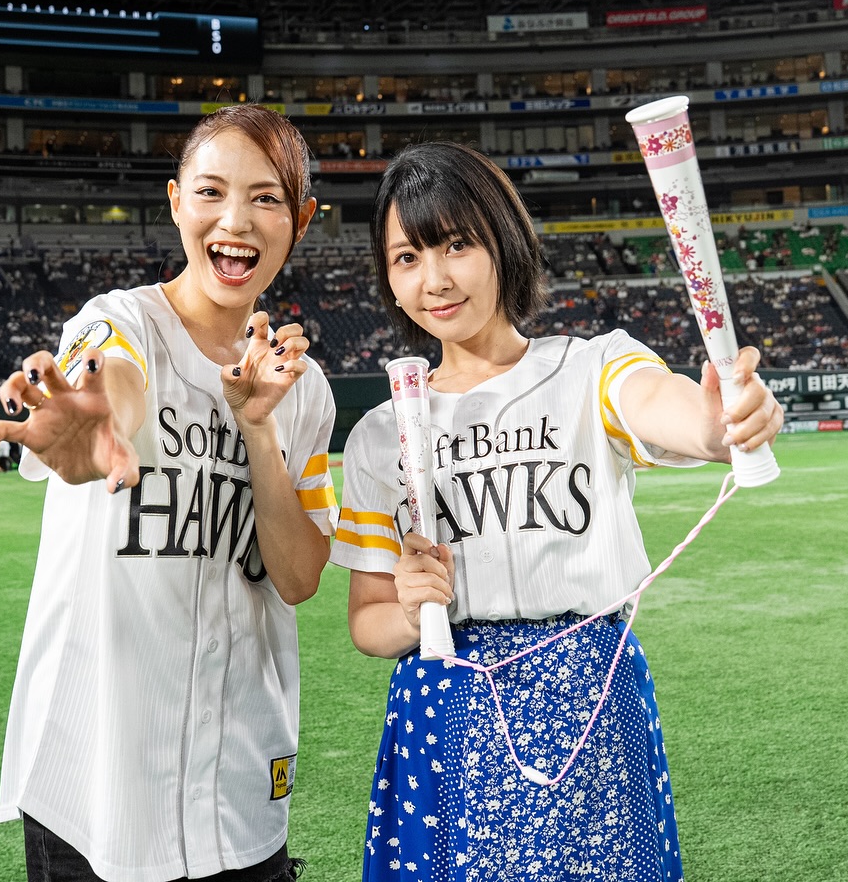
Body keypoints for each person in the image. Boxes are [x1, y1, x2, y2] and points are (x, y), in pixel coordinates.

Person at [330, 143, 784, 882]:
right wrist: (412, 613)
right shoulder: (380, 436)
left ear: (503, 243)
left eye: (457, 245)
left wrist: (717, 423)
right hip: (445, 705)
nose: (434, 279)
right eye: (407, 257)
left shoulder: (590, 367)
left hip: (588, 693)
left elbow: (664, 406)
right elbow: (367, 621)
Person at [0, 105, 337, 882]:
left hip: (241, 788)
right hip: (97, 787)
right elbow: (116, 375)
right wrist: (104, 418)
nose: (234, 221)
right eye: (210, 192)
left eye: (267, 198)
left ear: (303, 219)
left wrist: (259, 429)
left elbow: (298, 578)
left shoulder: (301, 388)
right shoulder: (117, 321)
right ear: (175, 202)